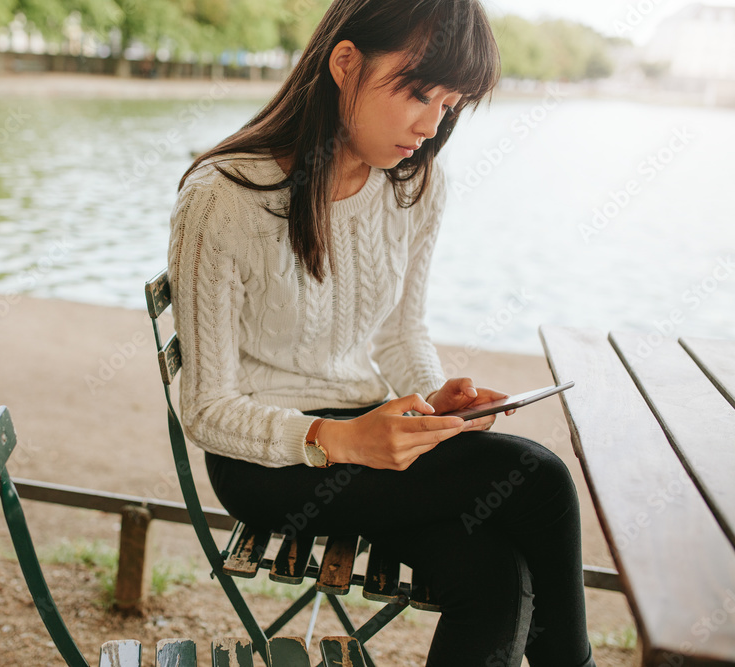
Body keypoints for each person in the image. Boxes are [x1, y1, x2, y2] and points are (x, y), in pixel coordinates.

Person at [167, 1, 595, 665]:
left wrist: (438, 400)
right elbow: (207, 410)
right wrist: (343, 440)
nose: (432, 123)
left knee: (495, 574)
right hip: (268, 461)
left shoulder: (415, 185)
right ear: (345, 62)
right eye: (420, 92)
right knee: (536, 477)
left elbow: (400, 332)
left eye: (450, 103)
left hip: (368, 439)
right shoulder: (224, 197)